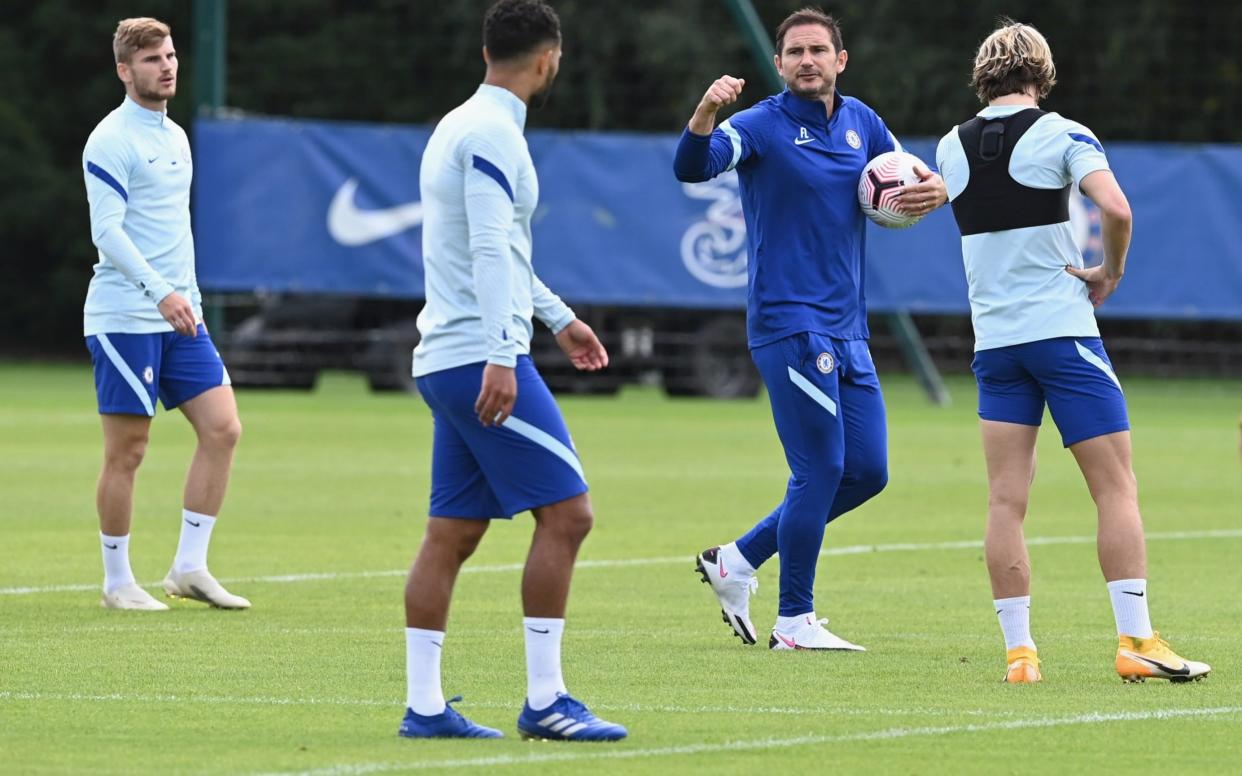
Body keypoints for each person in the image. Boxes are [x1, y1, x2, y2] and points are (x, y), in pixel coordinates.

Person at [935, 21, 1210, 683]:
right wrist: (1110, 270)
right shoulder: (1061, 132)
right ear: (1043, 73)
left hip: (995, 345)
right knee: (1116, 488)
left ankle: (1020, 655)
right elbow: (1116, 210)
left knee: (1005, 501)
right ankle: (1136, 641)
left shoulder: (950, 145)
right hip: (1062, 334)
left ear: (982, 75)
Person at [674, 8, 946, 651]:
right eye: (794, 51)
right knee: (819, 468)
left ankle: (735, 561)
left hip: (848, 328)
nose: (806, 60)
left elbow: (910, 176)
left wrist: (934, 190)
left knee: (867, 472)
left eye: (818, 49)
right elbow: (694, 165)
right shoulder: (761, 125)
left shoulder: (863, 123)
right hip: (789, 322)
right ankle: (794, 620)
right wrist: (705, 113)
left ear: (839, 60)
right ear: (779, 63)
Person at [398, 0, 626, 741]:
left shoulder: (456, 125)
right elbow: (491, 250)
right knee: (569, 515)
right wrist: (505, 351)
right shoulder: (495, 133)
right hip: (477, 357)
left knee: (452, 533)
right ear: (547, 60)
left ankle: (426, 708)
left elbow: (494, 251)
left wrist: (558, 318)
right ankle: (547, 701)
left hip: (446, 356)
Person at [82, 18, 248, 612]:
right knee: (128, 450)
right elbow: (108, 233)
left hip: (182, 315)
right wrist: (158, 292)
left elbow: (174, 233)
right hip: (126, 314)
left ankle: (189, 566)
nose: (167, 66)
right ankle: (117, 581)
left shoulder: (176, 136)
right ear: (125, 71)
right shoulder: (110, 139)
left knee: (224, 428)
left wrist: (190, 301)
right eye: (152, 59)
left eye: (171, 55)